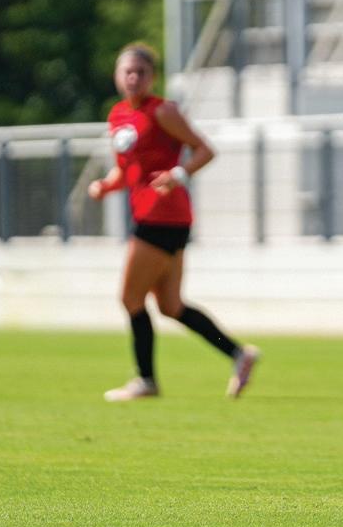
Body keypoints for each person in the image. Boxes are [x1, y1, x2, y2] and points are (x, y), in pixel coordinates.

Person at [88, 42, 260, 402]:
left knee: (130, 298)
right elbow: (126, 171)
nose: (134, 78)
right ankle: (238, 354)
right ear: (117, 76)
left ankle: (146, 380)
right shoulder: (118, 115)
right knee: (170, 305)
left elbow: (205, 149)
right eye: (127, 72)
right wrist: (105, 186)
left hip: (162, 215)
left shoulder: (162, 111)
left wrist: (178, 174)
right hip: (156, 215)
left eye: (141, 72)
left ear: (152, 77)